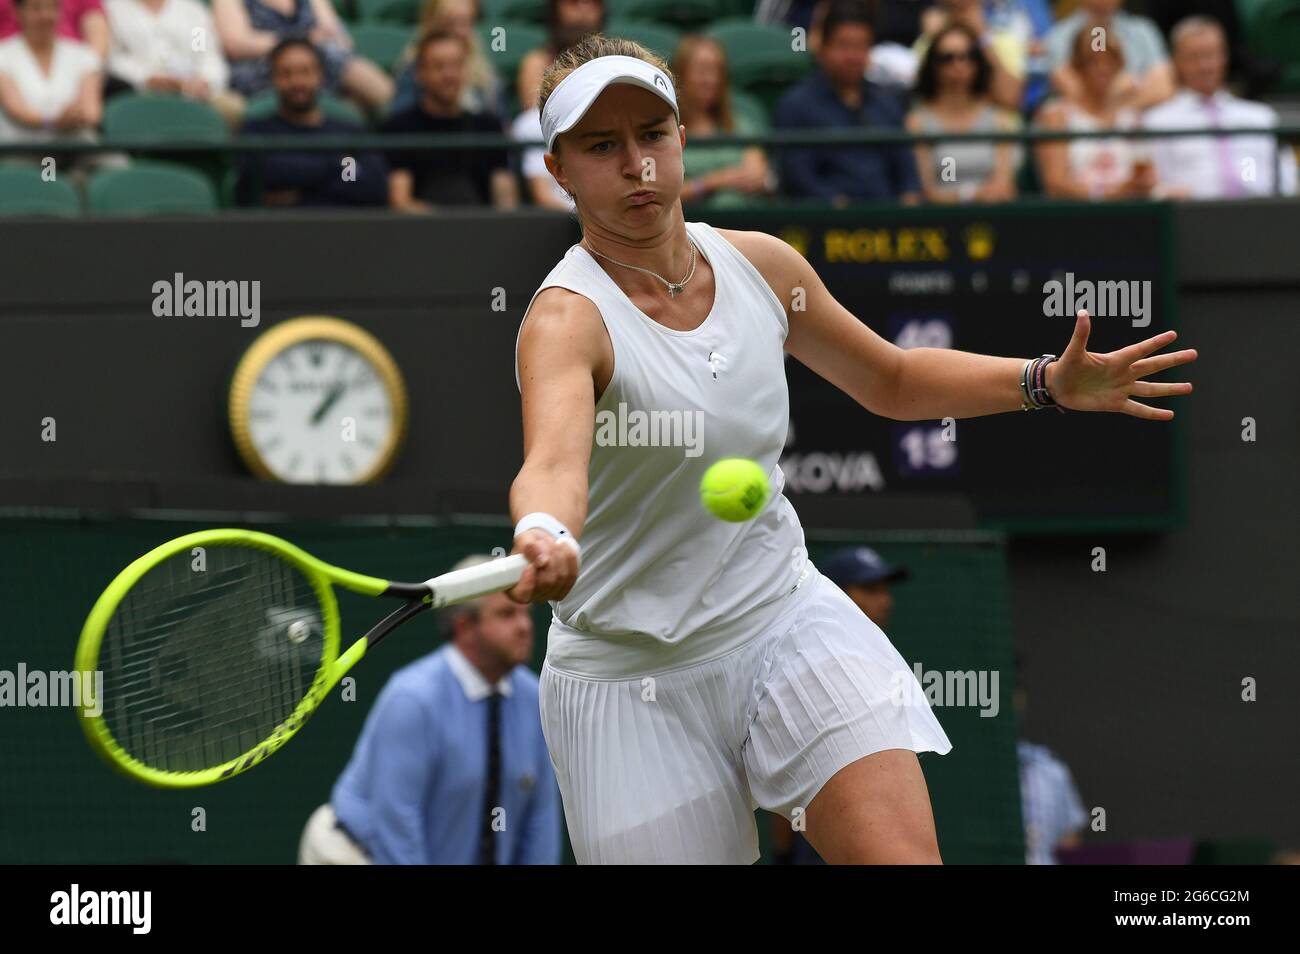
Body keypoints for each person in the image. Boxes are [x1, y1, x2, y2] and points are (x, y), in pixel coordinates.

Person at [506, 32, 1196, 864]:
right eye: (601, 146)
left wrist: (1044, 380)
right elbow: (552, 462)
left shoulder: (763, 264)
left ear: (684, 138)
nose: (637, 164)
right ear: (558, 169)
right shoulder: (565, 320)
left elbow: (894, 380)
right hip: (625, 678)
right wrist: (546, 529)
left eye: (652, 135)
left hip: (778, 619)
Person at [298, 554, 562, 865]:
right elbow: (396, 822)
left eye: (525, 614)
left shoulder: (534, 698)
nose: (524, 627)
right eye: (506, 615)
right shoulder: (412, 699)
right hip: (354, 853)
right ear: (464, 626)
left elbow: (541, 819)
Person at [770, 545, 910, 864]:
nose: (885, 600)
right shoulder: (810, 666)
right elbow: (781, 766)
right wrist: (785, 853)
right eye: (870, 589)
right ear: (836, 596)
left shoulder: (876, 662)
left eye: (885, 589)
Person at [774, 0, 921, 206]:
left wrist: (910, 200)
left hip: (892, 225)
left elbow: (908, 175)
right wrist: (840, 209)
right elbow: (797, 177)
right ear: (822, 48)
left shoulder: (888, 102)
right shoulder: (796, 105)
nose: (852, 57)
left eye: (861, 46)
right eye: (843, 46)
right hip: (825, 225)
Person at [1143, 16, 1297, 200]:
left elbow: (1286, 175)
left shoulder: (1259, 117)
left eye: (1210, 55)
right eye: (1194, 57)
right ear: (1176, 61)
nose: (1204, 66)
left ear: (1224, 57)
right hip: (1190, 218)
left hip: (1258, 215)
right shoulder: (1157, 122)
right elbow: (1153, 186)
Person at [234, 38, 388, 207]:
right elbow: (263, 175)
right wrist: (339, 164)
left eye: (305, 71)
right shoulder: (256, 132)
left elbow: (373, 187)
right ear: (273, 78)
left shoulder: (350, 133)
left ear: (320, 75)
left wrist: (300, 187)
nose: (297, 82)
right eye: (286, 74)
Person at [381, 28, 518, 211]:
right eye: (439, 66)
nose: (449, 75)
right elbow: (400, 201)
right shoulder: (400, 128)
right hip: (421, 233)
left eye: (457, 65)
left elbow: (505, 201)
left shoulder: (488, 126)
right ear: (419, 73)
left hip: (483, 232)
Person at [0, 0, 116, 181]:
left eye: (51, 8)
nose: (45, 16)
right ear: (18, 13)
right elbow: (16, 109)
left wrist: (74, 118)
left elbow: (93, 113)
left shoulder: (83, 54)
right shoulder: (3, 55)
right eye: (36, 8)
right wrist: (53, 122)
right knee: (46, 177)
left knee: (116, 168)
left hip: (77, 146)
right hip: (23, 150)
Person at [1035, 27, 1154, 200]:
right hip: (1078, 216)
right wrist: (1105, 195)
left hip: (1130, 213)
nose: (1104, 69)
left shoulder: (1132, 115)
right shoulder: (1057, 115)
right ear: (1078, 67)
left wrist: (1139, 185)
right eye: (1094, 62)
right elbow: (1055, 183)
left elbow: (1147, 172)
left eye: (1110, 61)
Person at [212, 0, 392, 114]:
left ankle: (395, 114)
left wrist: (312, 43)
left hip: (319, 64)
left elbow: (339, 36)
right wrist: (300, 41)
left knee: (336, 58)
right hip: (262, 67)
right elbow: (235, 43)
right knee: (329, 56)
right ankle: (397, 109)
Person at [906, 22, 1018, 203]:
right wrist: (971, 194)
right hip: (943, 221)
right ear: (933, 64)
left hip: (993, 217)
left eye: (968, 56)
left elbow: (1005, 184)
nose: (959, 65)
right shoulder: (918, 123)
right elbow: (927, 189)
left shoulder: (999, 120)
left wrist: (987, 193)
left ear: (978, 62)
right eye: (947, 58)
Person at [104, 0, 242, 126]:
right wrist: (146, 78)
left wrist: (203, 81)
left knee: (233, 108)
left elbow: (204, 54)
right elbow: (111, 58)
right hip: (136, 94)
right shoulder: (112, 9)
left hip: (193, 92)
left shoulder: (192, 11)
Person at [673, 34, 770, 209]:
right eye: (702, 70)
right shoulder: (666, 128)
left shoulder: (740, 124)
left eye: (716, 71)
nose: (710, 80)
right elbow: (660, 194)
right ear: (681, 74)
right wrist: (712, 182)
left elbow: (758, 173)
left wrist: (758, 177)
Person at [1045, 0, 1173, 110]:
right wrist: (1122, 91)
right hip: (1081, 125)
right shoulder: (1059, 36)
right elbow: (1072, 90)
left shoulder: (1143, 31)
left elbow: (1163, 88)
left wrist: (1120, 111)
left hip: (1134, 121)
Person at [390, 0, 504, 119]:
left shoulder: (484, 71)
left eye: (465, 23)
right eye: (451, 23)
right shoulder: (413, 67)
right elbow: (402, 121)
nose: (459, 32)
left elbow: (498, 123)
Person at [913, 0, 1026, 111]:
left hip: (996, 127)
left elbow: (1011, 98)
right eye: (948, 58)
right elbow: (924, 98)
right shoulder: (927, 42)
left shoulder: (1005, 41)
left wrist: (983, 39)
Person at [0, 0, 107, 60]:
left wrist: (86, 74)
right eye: (35, 8)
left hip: (72, 68)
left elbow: (98, 41)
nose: (45, 16)